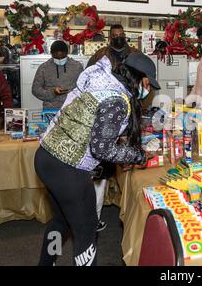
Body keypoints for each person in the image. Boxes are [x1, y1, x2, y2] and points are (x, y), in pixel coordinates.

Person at [34, 52, 160, 266]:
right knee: (86, 230)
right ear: (139, 78)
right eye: (147, 83)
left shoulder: (102, 82)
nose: (147, 90)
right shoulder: (117, 100)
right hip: (68, 167)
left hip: (46, 157)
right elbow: (102, 149)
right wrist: (138, 155)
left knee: (61, 221)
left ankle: (46, 264)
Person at [86, 24, 139, 231]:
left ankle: (125, 206)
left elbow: (144, 77)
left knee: (127, 166)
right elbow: (89, 76)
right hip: (106, 111)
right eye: (114, 36)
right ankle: (94, 217)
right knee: (101, 168)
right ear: (109, 38)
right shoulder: (101, 54)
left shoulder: (134, 53)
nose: (118, 38)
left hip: (129, 111)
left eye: (121, 35)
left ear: (125, 36)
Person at [32, 41, 83, 110]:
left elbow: (84, 87)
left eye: (62, 57)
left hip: (72, 108)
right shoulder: (44, 68)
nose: (59, 60)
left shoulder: (77, 66)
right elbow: (35, 90)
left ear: (67, 53)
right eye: (57, 58)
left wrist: (72, 93)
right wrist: (53, 92)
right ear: (52, 54)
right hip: (50, 108)